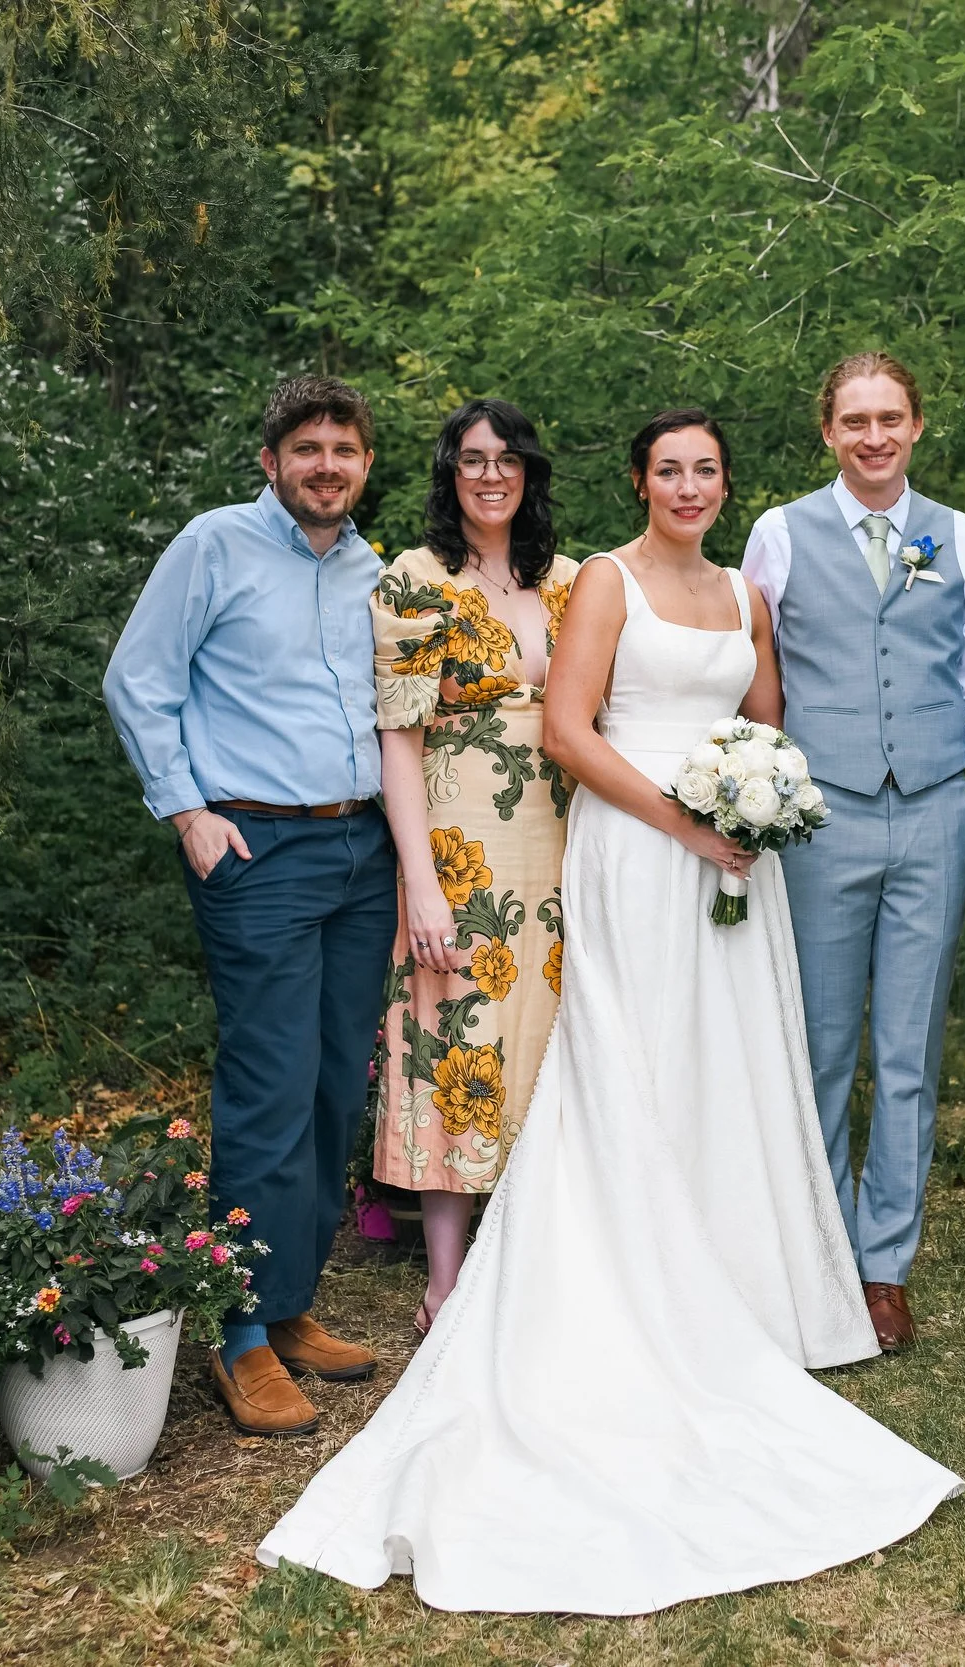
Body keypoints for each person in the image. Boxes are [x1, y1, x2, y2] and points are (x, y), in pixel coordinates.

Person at [257, 410, 962, 1614]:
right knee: (628, 1062)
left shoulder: (746, 590)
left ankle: (740, 1287)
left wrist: (760, 802)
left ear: (727, 483)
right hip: (638, 851)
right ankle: (614, 1289)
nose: (688, 485)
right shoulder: (601, 583)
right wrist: (688, 820)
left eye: (706, 469)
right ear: (638, 479)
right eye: (668, 468)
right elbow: (571, 734)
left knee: (730, 1063)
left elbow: (766, 720)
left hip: (737, 861)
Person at [101, 375, 395, 1437]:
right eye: (307, 447)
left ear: (366, 464)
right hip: (255, 841)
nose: (327, 464)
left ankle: (289, 1299)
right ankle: (236, 1334)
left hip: (364, 847)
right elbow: (138, 679)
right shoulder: (215, 545)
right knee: (268, 1083)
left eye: (345, 448)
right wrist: (188, 813)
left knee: (330, 1082)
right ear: (270, 460)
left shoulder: (375, 569)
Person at [740, 352, 965, 1352]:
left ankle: (883, 1264)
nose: (875, 435)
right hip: (823, 813)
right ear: (828, 432)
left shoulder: (957, 536)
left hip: (934, 807)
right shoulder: (780, 532)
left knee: (908, 1049)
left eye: (891, 417)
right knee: (817, 1041)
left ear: (919, 425)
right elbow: (744, 658)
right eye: (855, 420)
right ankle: (808, 1252)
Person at [369, 400, 579, 1334]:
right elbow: (399, 740)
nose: (491, 475)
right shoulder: (415, 580)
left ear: (530, 472)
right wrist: (420, 878)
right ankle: (446, 1281)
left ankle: (540, 1256)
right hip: (459, 845)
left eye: (507, 459)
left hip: (565, 845)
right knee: (456, 1041)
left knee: (549, 1041)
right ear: (448, 473)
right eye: (471, 460)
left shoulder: (573, 580)